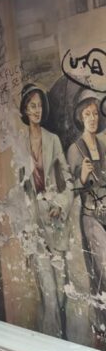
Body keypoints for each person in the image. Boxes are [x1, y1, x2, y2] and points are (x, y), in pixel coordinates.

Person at [18, 83, 75, 338]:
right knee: (49, 295)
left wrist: (60, 204)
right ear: (25, 110)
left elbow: (69, 181)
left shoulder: (53, 140)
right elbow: (19, 190)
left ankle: (59, 342)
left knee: (61, 295)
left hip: (55, 222)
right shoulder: (20, 145)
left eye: (40, 105)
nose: (37, 110)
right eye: (32, 106)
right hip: (35, 226)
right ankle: (52, 345)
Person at [67, 89, 106, 298]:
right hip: (91, 217)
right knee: (103, 269)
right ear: (80, 117)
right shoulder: (75, 150)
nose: (92, 118)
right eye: (87, 114)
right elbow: (68, 190)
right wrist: (81, 176)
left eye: (95, 113)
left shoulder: (103, 145)